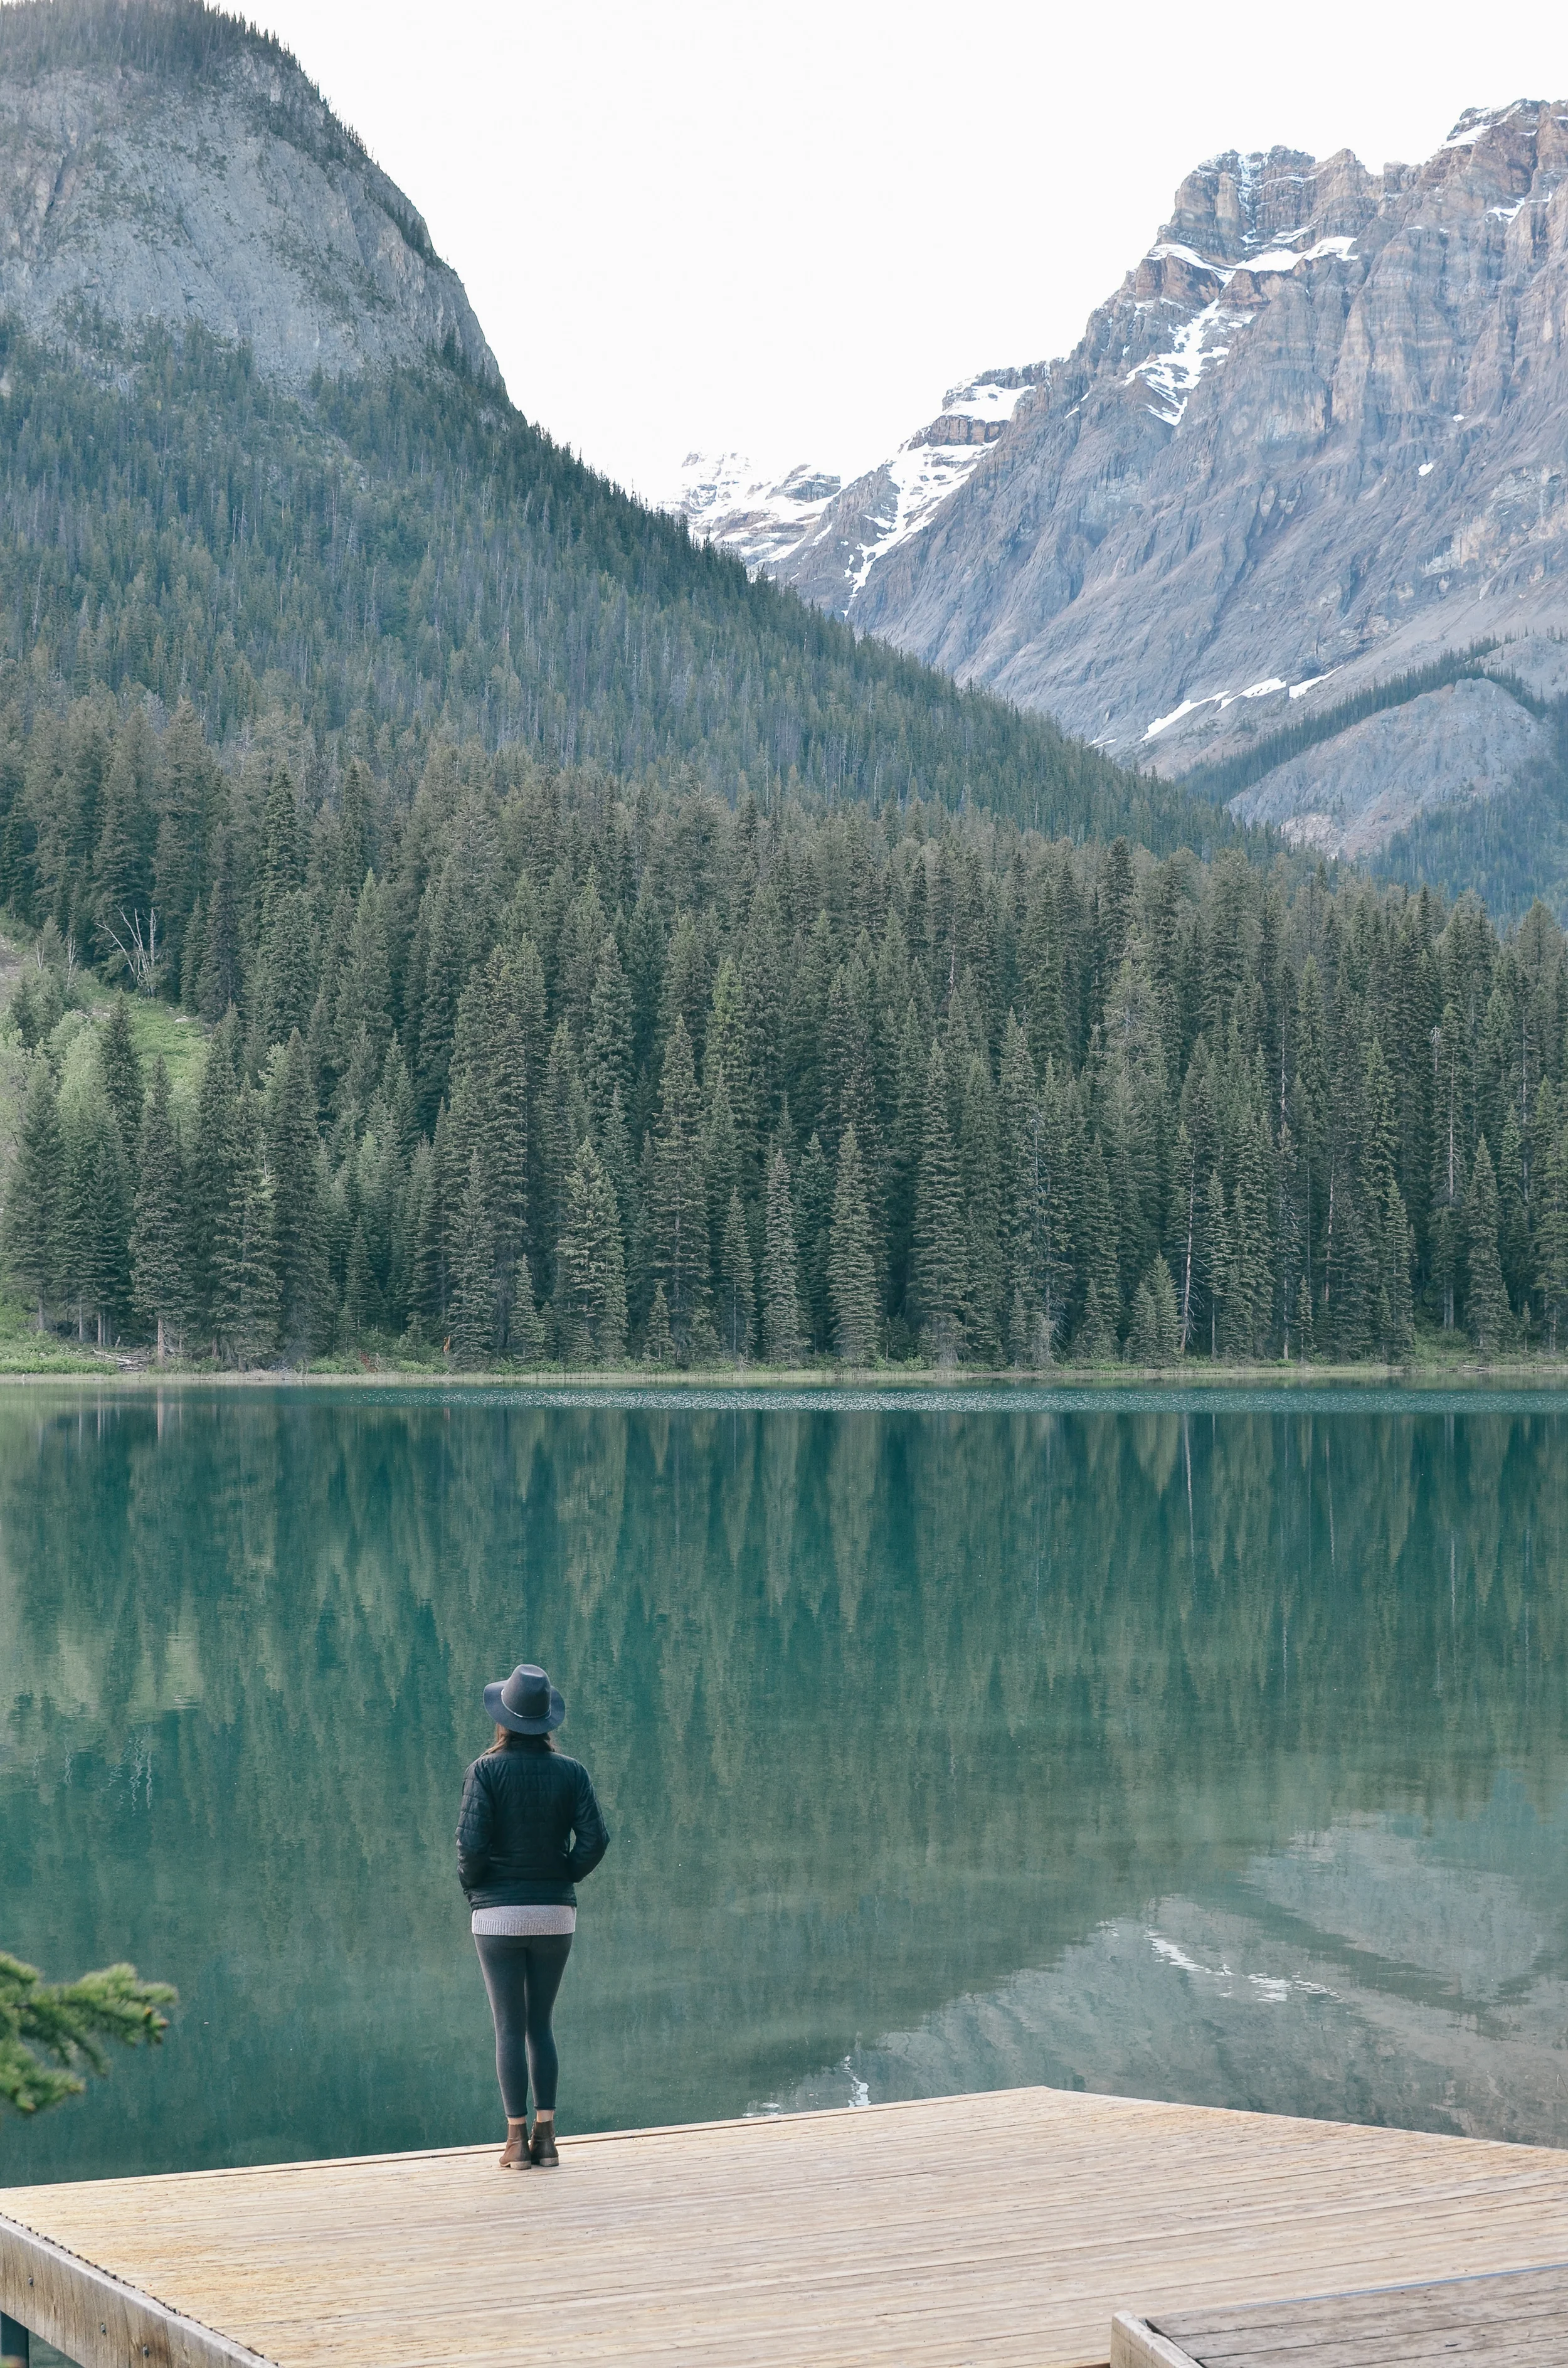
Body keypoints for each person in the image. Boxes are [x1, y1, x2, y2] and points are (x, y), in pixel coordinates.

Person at [456, 1662, 610, 2169]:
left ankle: (514, 2143)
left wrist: (476, 1889)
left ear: (503, 1719)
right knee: (539, 2025)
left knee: (507, 2027)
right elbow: (595, 1841)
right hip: (554, 1914)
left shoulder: (484, 1770)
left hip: (498, 1916)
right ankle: (547, 2138)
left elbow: (471, 1846)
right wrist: (562, 1874)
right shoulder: (572, 1773)